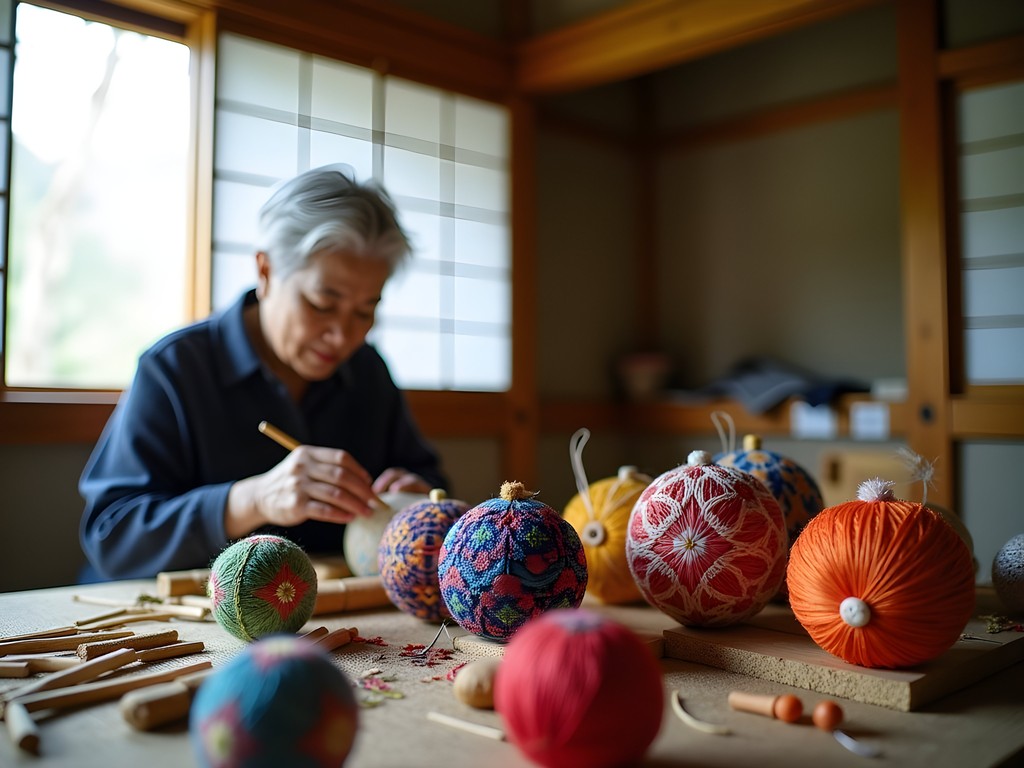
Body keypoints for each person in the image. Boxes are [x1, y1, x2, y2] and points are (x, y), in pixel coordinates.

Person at [79, 166, 447, 581]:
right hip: (181, 620)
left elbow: (432, 481)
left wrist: (415, 495)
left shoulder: (367, 370)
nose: (342, 335)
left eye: (366, 311)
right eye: (322, 304)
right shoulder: (176, 367)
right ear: (266, 271)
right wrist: (250, 500)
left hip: (323, 613)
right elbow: (111, 535)